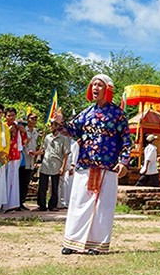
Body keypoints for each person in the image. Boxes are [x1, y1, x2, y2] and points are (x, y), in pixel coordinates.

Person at [53, 74, 132, 255]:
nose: (95, 87)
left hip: (107, 166)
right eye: (93, 84)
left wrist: (124, 161)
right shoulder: (87, 112)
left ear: (108, 90)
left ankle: (96, 245)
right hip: (85, 165)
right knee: (78, 202)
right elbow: (71, 130)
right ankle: (72, 242)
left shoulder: (118, 114)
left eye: (99, 85)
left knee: (103, 206)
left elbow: (126, 140)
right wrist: (60, 122)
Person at [37, 119, 70, 211]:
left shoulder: (64, 139)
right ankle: (42, 205)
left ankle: (52, 205)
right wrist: (35, 153)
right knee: (42, 186)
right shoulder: (47, 137)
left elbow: (66, 154)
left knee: (55, 187)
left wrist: (63, 167)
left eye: (53, 125)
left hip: (56, 164)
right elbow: (43, 150)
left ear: (57, 127)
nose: (51, 127)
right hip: (46, 164)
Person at [2, 107, 24, 212]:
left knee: (14, 181)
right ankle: (3, 204)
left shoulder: (18, 127)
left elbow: (24, 141)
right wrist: (8, 132)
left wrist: (23, 131)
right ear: (5, 116)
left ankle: (13, 204)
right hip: (5, 157)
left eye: (13, 115)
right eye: (9, 115)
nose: (11, 117)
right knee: (5, 180)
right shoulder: (3, 127)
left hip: (16, 156)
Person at [20, 114, 40, 211]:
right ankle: (18, 201)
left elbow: (36, 145)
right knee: (20, 180)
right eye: (32, 118)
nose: (34, 120)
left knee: (26, 182)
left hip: (31, 160)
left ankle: (22, 201)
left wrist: (37, 154)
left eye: (36, 119)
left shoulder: (36, 132)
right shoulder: (23, 130)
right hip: (23, 158)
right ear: (28, 119)